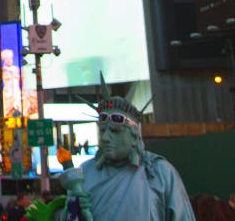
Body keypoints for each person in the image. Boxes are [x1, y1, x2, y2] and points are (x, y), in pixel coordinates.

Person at [26, 76, 195, 220]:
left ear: (134, 135)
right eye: (102, 130)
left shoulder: (160, 173)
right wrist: (68, 212)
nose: (106, 137)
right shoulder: (85, 173)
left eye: (115, 130)